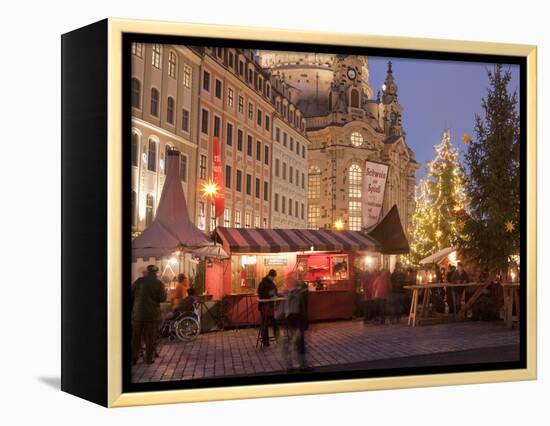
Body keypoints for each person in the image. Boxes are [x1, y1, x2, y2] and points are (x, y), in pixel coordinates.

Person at [131, 265, 167, 365]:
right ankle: (148, 359)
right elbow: (162, 298)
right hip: (152, 316)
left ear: (147, 271)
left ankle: (133, 359)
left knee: (136, 338)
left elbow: (131, 295)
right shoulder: (158, 283)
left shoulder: (138, 281)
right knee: (150, 338)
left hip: (138, 315)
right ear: (156, 273)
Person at [283, 275, 311, 372]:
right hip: (296, 321)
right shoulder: (294, 293)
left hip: (293, 321)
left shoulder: (290, 293)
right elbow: (296, 310)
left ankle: (293, 365)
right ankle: (298, 365)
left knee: (296, 343)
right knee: (298, 343)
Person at [257, 269, 279, 346]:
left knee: (267, 323)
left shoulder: (269, 283)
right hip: (265, 306)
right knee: (268, 323)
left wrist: (275, 294)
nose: (274, 278)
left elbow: (275, 291)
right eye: (273, 277)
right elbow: (261, 294)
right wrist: (271, 295)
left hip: (269, 306)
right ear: (271, 275)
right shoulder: (263, 283)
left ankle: (267, 341)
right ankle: (267, 341)